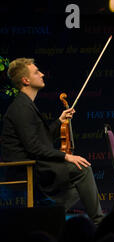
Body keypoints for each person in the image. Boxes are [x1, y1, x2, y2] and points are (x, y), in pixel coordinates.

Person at [1, 58, 104, 224]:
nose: (42, 74)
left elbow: (43, 139)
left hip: (35, 162)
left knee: (78, 182)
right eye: (36, 72)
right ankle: (98, 221)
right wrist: (66, 157)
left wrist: (60, 121)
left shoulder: (27, 105)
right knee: (82, 169)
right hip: (26, 167)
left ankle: (48, 216)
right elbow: (34, 147)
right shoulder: (21, 108)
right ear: (25, 80)